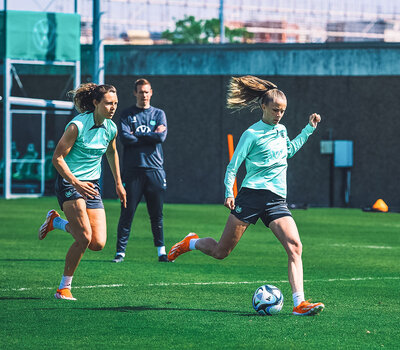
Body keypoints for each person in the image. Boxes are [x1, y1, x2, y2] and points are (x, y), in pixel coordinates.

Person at [167, 75, 325, 316]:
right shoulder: (251, 134)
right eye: (275, 110)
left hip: (276, 200)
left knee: (295, 246)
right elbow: (233, 165)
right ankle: (191, 242)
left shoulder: (282, 131)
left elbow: (288, 151)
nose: (279, 115)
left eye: (282, 111)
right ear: (263, 107)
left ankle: (299, 303)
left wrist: (308, 130)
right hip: (250, 197)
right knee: (221, 252)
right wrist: (229, 191)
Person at [38, 83, 126, 300]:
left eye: (115, 103)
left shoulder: (111, 128)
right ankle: (63, 288)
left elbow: (111, 153)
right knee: (84, 237)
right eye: (108, 103)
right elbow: (57, 159)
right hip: (70, 183)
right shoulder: (76, 126)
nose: (112, 108)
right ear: (96, 103)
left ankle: (55, 222)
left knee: (98, 243)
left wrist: (118, 183)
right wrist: (75, 182)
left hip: (91, 186)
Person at [113, 79, 169, 263]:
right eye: (140, 92)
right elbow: (125, 139)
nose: (143, 95)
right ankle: (120, 252)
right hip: (133, 171)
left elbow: (160, 137)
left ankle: (161, 252)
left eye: (146, 92)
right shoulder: (127, 114)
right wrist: (149, 136)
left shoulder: (159, 114)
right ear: (135, 93)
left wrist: (137, 135)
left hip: (154, 170)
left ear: (151, 92)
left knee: (157, 215)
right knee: (127, 213)